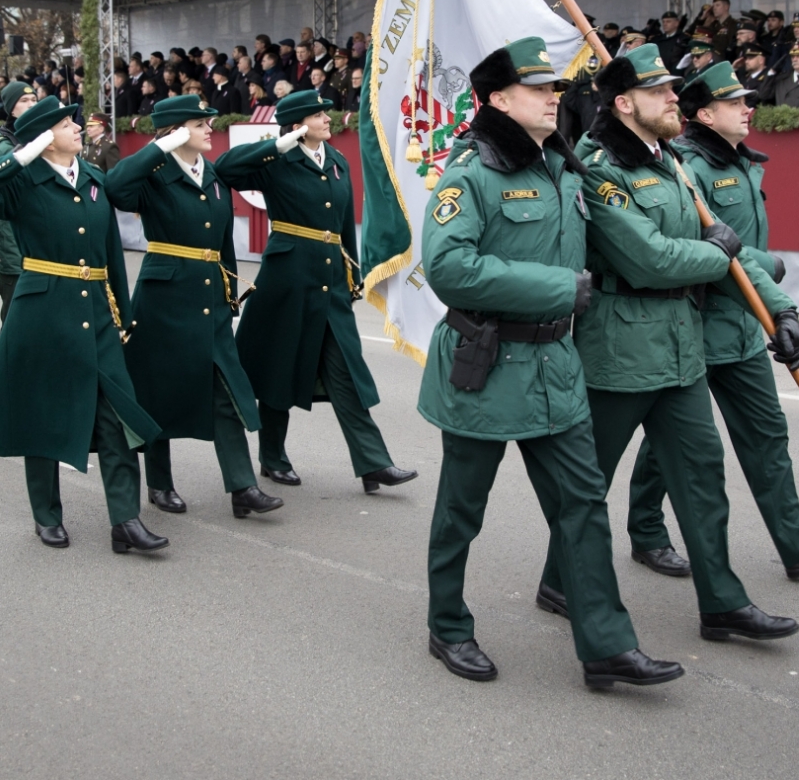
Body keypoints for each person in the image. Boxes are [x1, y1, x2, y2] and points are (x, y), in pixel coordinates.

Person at [417, 36, 682, 689]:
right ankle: (447, 624)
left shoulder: (564, 168)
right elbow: (449, 267)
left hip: (555, 366)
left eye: (556, 89)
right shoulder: (471, 171)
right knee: (461, 508)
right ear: (499, 99)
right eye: (539, 89)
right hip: (485, 362)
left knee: (583, 504)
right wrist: (558, 289)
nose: (552, 99)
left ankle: (607, 645)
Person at [536, 43, 799, 643]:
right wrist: (720, 253)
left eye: (673, 90)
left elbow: (721, 249)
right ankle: (557, 580)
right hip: (620, 350)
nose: (674, 99)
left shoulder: (670, 163)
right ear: (624, 103)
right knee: (588, 484)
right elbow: (651, 260)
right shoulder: (598, 166)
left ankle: (723, 603)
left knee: (703, 478)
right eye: (660, 92)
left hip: (681, 350)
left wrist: (778, 311)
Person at [626, 59, 799, 582]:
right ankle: (646, 531)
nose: (747, 109)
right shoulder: (685, 168)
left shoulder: (742, 163)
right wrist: (771, 278)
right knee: (675, 443)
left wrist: (773, 296)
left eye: (747, 100)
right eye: (736, 103)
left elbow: (745, 250)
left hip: (742, 326)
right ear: (706, 114)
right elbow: (708, 252)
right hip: (696, 323)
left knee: (767, 433)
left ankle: (797, 542)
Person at [0, 96, 168, 553]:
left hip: (96, 314)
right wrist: (23, 154)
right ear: (45, 136)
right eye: (66, 123)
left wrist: (123, 312)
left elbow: (110, 250)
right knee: (43, 413)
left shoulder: (93, 179)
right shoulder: (22, 181)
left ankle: (125, 521)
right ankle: (46, 514)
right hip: (43, 310)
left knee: (116, 416)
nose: (77, 127)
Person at [214, 89, 417, 492]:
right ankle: (273, 457)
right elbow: (225, 169)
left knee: (348, 373)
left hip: (330, 286)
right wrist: (279, 142)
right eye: (320, 114)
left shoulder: (338, 162)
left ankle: (374, 462)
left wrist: (353, 273)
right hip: (286, 281)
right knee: (279, 368)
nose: (329, 118)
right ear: (299, 123)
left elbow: (343, 225)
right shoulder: (276, 160)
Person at [107, 95, 284, 519]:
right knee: (156, 392)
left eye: (209, 122)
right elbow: (115, 188)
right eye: (199, 123)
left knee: (225, 392)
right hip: (163, 299)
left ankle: (243, 487)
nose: (210, 128)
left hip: (209, 300)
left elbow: (221, 239)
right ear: (177, 130)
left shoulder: (213, 174)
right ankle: (160, 483)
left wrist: (227, 292)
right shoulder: (154, 173)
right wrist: (158, 148)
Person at [0, 82, 37, 324]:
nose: (32, 104)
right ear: (11, 109)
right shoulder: (0, 148)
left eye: (34, 99)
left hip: (41, 235)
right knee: (17, 314)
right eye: (24, 101)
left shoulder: (41, 140)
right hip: (14, 241)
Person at [766, 43, 799, 108]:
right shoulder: (783, 77)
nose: (794, 59)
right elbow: (764, 96)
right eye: (792, 56)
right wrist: (771, 73)